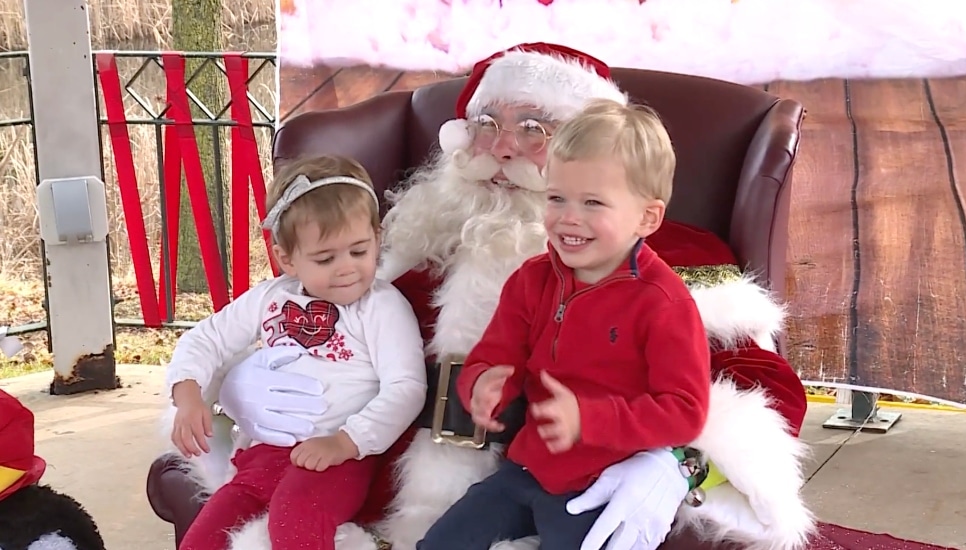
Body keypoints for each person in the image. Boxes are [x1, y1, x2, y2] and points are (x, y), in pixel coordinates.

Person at [164, 43, 813, 550]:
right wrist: (236, 388)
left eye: (535, 127)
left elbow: (766, 391)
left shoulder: (672, 259)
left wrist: (678, 466)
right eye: (486, 122)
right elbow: (281, 322)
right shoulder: (398, 248)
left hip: (561, 486)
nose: (501, 148)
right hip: (361, 490)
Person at [417, 99, 713, 550]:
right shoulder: (531, 279)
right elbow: (496, 354)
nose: (568, 217)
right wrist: (482, 385)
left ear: (647, 217)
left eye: (593, 203)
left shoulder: (664, 302)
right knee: (439, 544)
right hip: (527, 467)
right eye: (556, 198)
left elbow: (685, 411)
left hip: (603, 481)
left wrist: (590, 419)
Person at [165, 155, 427, 550]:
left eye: (359, 251)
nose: (346, 269)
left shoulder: (381, 306)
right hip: (263, 456)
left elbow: (406, 386)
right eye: (325, 258)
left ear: (377, 237)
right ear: (287, 258)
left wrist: (345, 442)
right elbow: (205, 339)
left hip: (338, 458)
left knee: (296, 520)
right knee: (204, 537)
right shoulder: (271, 298)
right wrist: (187, 397)